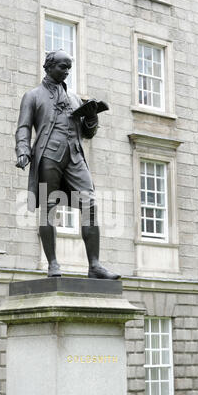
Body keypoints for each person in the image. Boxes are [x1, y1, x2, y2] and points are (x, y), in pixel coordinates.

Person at [15, 49, 119, 280]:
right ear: (48, 67)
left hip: (74, 156)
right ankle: (52, 264)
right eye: (62, 67)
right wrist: (23, 149)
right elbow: (23, 127)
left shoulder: (73, 98)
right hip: (49, 156)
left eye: (69, 68)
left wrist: (92, 117)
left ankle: (94, 265)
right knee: (48, 210)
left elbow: (87, 134)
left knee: (90, 204)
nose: (66, 71)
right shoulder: (32, 96)